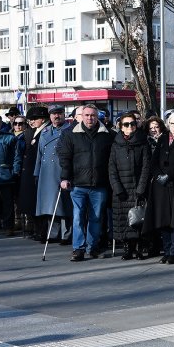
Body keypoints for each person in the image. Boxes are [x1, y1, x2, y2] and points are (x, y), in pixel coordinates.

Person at [59, 103, 115, 261]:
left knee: (96, 217)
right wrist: (64, 178)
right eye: (87, 115)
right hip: (78, 184)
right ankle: (78, 249)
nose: (90, 118)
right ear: (81, 116)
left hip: (99, 184)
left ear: (98, 117)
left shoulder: (108, 134)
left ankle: (93, 247)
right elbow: (65, 158)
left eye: (93, 115)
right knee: (78, 217)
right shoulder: (70, 134)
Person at [143, 111, 174, 264]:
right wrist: (158, 175)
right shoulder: (163, 138)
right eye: (172, 123)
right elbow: (154, 160)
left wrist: (169, 175)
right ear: (168, 124)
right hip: (161, 186)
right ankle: (166, 250)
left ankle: (173, 251)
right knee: (162, 219)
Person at [109, 111, 152, 260]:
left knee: (139, 218)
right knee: (124, 220)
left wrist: (141, 187)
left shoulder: (143, 142)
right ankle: (128, 249)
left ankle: (140, 248)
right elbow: (112, 169)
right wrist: (117, 188)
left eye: (132, 124)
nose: (129, 127)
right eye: (126, 124)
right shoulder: (116, 144)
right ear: (121, 127)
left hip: (138, 188)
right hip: (122, 189)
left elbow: (147, 167)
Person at [35, 106, 73, 244]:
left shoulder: (70, 130)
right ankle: (53, 232)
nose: (56, 116)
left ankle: (66, 234)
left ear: (64, 114)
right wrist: (37, 172)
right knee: (50, 205)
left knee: (64, 205)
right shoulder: (44, 132)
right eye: (53, 114)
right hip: (46, 173)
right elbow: (39, 154)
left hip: (62, 170)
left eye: (59, 113)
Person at [16, 106, 49, 239]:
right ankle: (36, 230)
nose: (32, 121)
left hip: (37, 172)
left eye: (34, 119)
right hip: (30, 172)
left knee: (38, 203)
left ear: (42, 119)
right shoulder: (34, 131)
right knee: (31, 203)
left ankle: (41, 231)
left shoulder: (45, 132)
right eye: (31, 119)